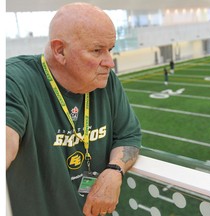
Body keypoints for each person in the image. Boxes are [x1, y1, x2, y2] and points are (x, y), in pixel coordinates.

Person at [6, 2, 142, 216]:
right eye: (97, 50)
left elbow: (128, 135)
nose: (110, 62)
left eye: (110, 50)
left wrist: (115, 170)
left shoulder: (107, 83)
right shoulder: (14, 81)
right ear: (60, 51)